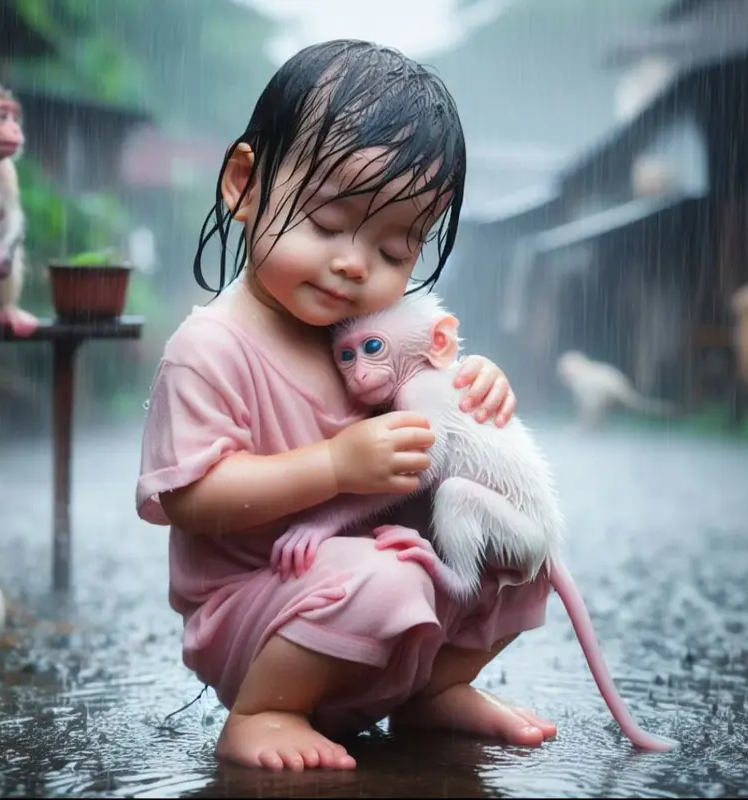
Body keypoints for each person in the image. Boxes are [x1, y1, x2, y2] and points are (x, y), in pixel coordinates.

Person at [136, 39, 556, 772]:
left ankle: (431, 692)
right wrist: (333, 464)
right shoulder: (211, 347)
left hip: (378, 604)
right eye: (327, 224)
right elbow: (194, 499)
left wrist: (475, 381)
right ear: (243, 184)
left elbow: (434, 398)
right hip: (259, 612)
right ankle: (265, 712)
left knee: (526, 546)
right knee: (386, 575)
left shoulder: (356, 333)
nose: (354, 264)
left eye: (395, 250)